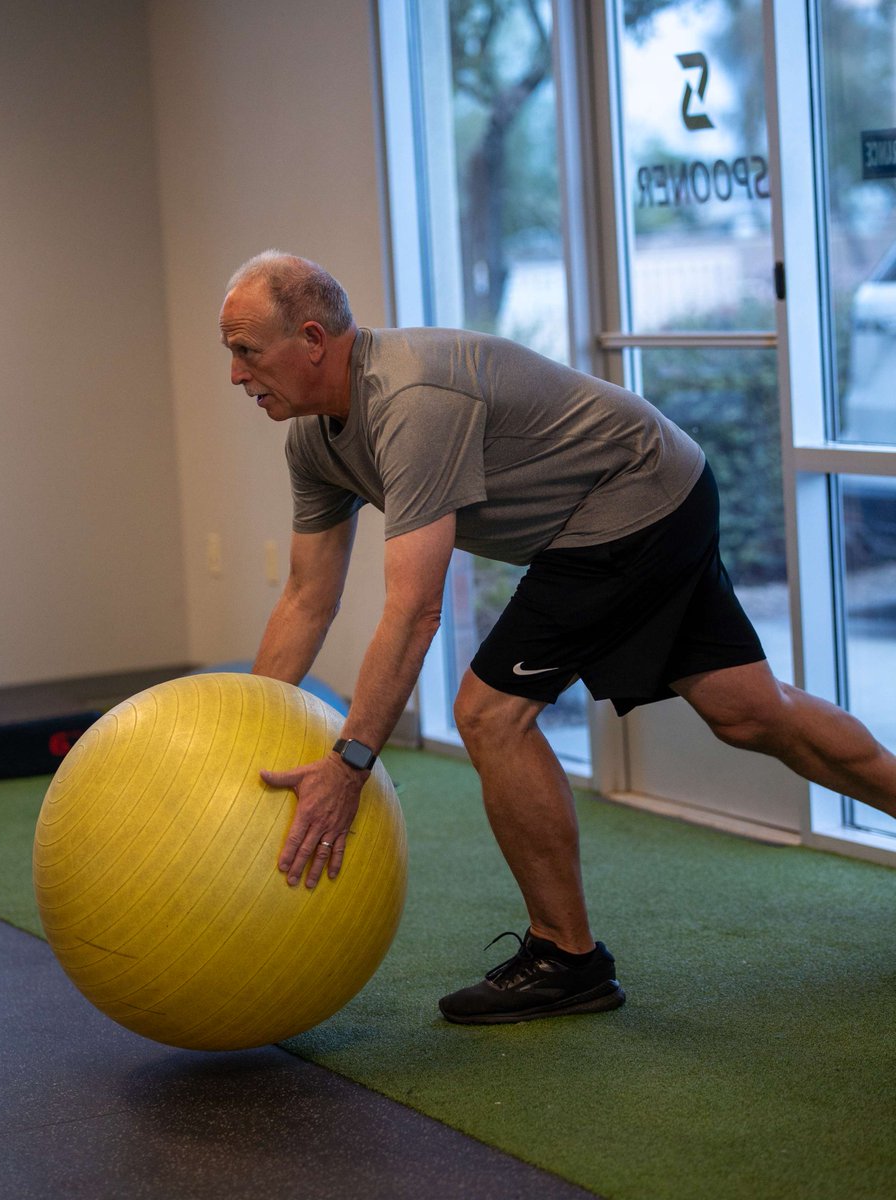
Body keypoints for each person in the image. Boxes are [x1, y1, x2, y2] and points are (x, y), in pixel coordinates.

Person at [219, 249, 896, 1026]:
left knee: (487, 714)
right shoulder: (313, 443)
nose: (236, 375)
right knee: (749, 711)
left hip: (630, 500)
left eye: (247, 351)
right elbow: (307, 596)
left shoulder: (409, 399)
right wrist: (246, 732)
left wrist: (350, 764)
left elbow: (415, 609)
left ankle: (567, 957)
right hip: (657, 490)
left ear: (311, 339)